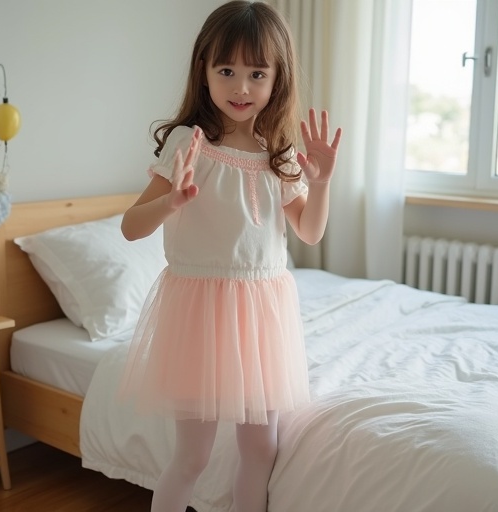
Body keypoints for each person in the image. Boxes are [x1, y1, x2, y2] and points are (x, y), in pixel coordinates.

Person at [119, 1, 341, 511]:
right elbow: (131, 227)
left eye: (256, 74)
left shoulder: (278, 151)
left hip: (263, 316)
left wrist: (322, 181)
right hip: (199, 315)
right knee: (191, 458)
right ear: (205, 71)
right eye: (227, 71)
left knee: (260, 447)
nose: (241, 88)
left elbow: (308, 231)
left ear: (275, 78)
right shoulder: (187, 143)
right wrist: (170, 200)